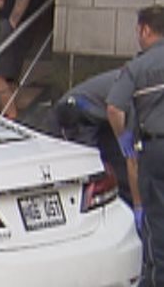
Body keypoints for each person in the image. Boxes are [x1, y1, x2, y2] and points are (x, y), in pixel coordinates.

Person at [107, 5, 164, 287]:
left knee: (155, 210)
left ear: (145, 29)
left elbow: (115, 108)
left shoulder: (138, 66)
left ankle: (157, 276)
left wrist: (124, 139)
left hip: (156, 147)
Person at [52, 70, 131, 205]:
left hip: (101, 117)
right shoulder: (141, 80)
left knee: (120, 170)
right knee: (90, 169)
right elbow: (116, 111)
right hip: (78, 112)